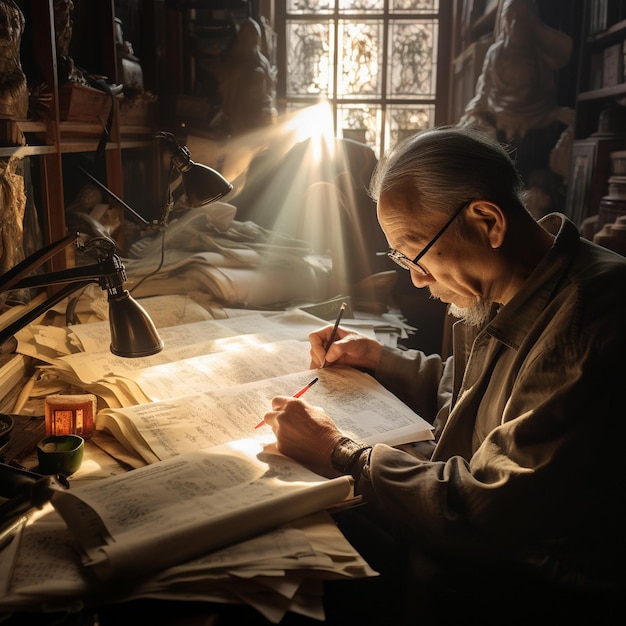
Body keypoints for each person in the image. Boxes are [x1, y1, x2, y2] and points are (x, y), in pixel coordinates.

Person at [262, 126, 626, 624]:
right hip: (475, 543)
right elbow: (474, 391)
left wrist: (341, 451)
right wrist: (379, 359)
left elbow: (480, 512)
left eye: (416, 251)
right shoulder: (505, 286)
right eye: (400, 256)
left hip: (523, 585)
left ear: (487, 221)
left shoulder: (589, 318)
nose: (414, 276)